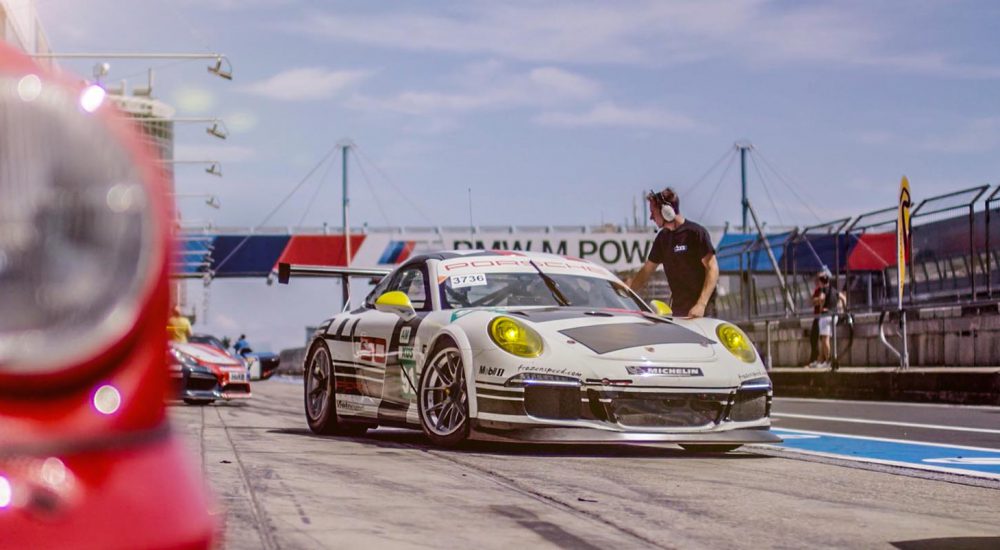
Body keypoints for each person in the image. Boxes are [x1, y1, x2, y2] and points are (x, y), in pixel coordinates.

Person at [628, 187, 719, 317]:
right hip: (679, 312)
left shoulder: (696, 233)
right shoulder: (662, 238)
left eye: (653, 212)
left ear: (667, 211)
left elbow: (713, 268)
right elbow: (647, 270)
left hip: (702, 312)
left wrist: (701, 304)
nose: (651, 217)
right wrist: (627, 291)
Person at [807, 270, 844, 369]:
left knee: (825, 339)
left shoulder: (823, 290)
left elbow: (821, 298)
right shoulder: (834, 290)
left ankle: (828, 360)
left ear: (821, 281)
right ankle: (821, 360)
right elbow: (843, 298)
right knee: (826, 338)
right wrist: (843, 310)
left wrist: (819, 303)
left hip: (825, 315)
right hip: (834, 316)